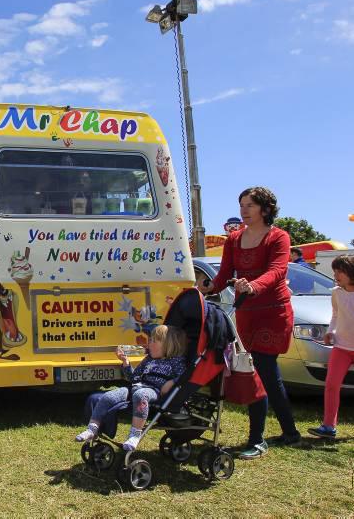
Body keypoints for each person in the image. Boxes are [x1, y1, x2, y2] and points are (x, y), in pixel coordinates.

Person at [200, 186, 301, 459]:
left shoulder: (278, 237)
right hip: (246, 313)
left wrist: (253, 286)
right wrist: (205, 288)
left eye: (250, 205)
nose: (243, 210)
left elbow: (278, 270)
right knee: (265, 373)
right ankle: (290, 432)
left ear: (265, 209)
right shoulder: (233, 239)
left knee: (261, 370)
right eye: (241, 205)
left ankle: (257, 439)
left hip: (273, 312)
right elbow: (223, 275)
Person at [75, 325, 187, 451]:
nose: (149, 343)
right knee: (108, 396)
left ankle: (134, 435)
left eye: (153, 341)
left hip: (153, 391)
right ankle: (92, 428)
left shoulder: (176, 362)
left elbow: (185, 377)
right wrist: (126, 363)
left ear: (168, 345)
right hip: (135, 387)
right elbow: (134, 378)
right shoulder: (148, 359)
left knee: (141, 395)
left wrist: (172, 382)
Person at [309, 255, 354, 439]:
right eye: (335, 271)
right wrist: (331, 332)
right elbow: (335, 315)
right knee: (331, 385)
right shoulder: (336, 292)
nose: (336, 275)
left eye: (340, 271)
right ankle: (328, 427)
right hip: (342, 347)